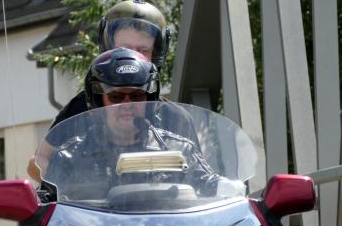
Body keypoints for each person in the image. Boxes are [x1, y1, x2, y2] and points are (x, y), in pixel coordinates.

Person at [41, 48, 222, 202]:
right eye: (116, 97)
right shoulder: (70, 158)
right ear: (98, 101)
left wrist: (226, 187)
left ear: (149, 99)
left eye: (136, 96)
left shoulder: (180, 150)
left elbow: (210, 183)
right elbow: (44, 205)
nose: (127, 104)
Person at [27, 0, 171, 181]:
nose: (133, 57)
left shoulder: (175, 116)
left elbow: (197, 178)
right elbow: (38, 161)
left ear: (156, 54)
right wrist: (69, 185)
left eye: (143, 50)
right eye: (115, 97)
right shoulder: (81, 107)